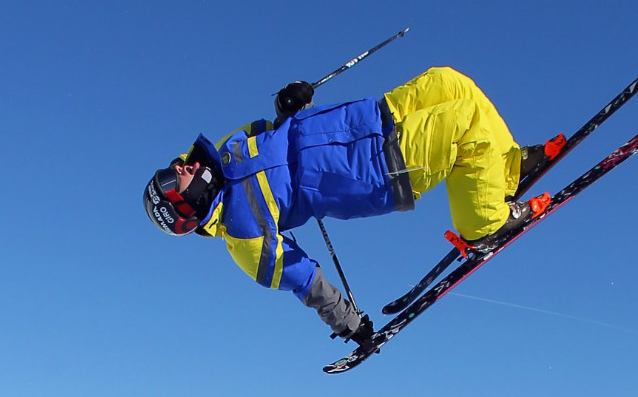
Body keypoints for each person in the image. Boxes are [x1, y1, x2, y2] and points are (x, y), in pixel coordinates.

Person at [144, 67, 547, 346]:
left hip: (368, 120)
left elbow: (275, 133)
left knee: (450, 82)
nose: (177, 166)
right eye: (170, 178)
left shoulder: (227, 150)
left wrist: (287, 107)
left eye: (169, 167)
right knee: (466, 122)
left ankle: (504, 171)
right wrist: (351, 324)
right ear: (183, 207)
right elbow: (305, 281)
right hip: (374, 170)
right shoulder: (242, 232)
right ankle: (484, 223)